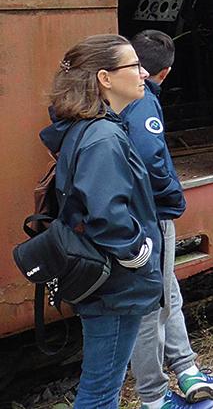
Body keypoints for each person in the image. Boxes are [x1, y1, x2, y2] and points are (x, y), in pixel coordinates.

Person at [39, 34, 163, 409]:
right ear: (105, 79)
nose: (143, 73)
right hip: (115, 285)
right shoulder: (104, 137)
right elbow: (107, 215)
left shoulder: (89, 127)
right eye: (133, 66)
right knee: (100, 390)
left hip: (107, 281)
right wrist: (138, 251)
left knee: (103, 383)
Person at [124, 31, 213, 409]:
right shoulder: (142, 103)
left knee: (167, 293)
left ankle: (186, 371)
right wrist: (172, 198)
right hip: (149, 217)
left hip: (137, 215)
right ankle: (154, 397)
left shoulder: (112, 97)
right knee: (153, 306)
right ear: (164, 72)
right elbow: (152, 157)